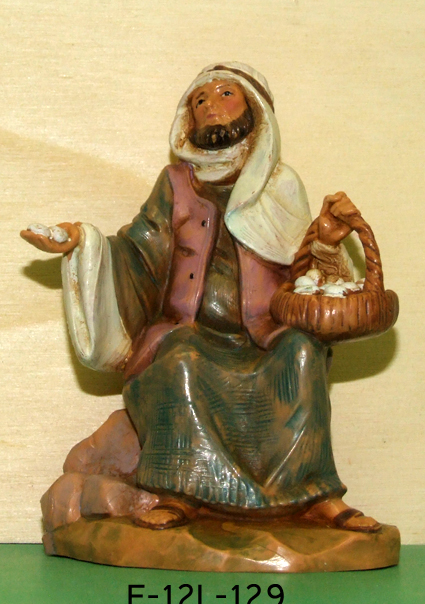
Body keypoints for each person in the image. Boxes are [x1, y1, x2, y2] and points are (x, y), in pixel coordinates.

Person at [21, 62, 380, 533]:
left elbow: (305, 272)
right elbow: (140, 249)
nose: (212, 106)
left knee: (303, 353)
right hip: (189, 332)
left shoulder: (282, 186)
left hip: (266, 337)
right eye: (200, 100)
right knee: (180, 360)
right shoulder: (175, 184)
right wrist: (83, 242)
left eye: (226, 94)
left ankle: (313, 495)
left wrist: (327, 243)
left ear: (254, 109)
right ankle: (182, 494)